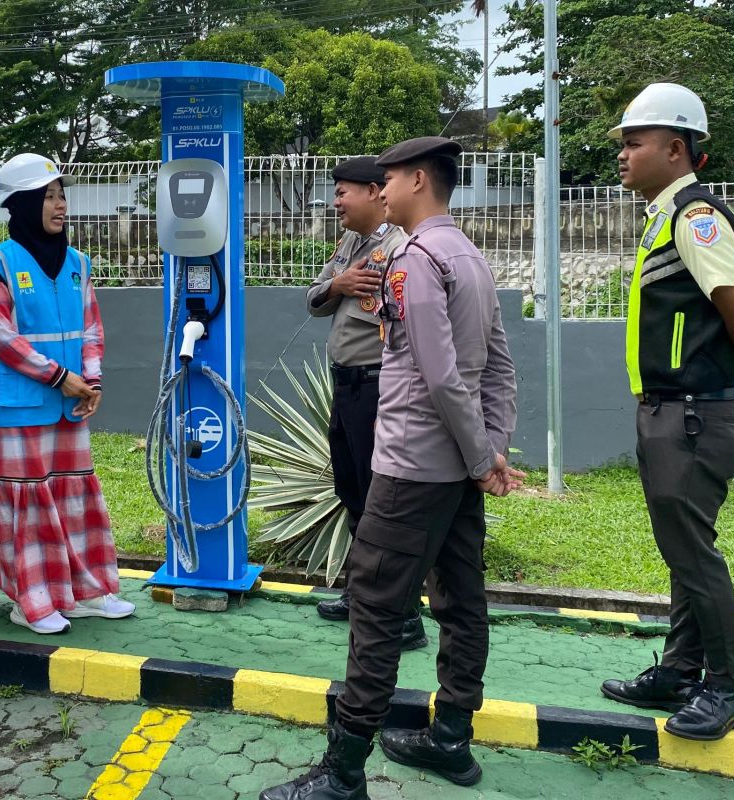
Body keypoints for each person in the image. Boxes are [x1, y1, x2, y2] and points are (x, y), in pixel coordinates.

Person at [262, 137, 525, 800]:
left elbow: (439, 376)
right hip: (458, 470)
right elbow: (498, 368)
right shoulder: (468, 255)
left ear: (415, 180)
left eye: (386, 181)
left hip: (414, 466)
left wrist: (476, 456)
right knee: (462, 600)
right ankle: (451, 740)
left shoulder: (415, 258)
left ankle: (344, 771)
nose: (379, 192)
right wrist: (489, 452)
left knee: (375, 609)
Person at [598, 83, 734, 741]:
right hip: (682, 411)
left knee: (694, 556)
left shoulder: (693, 218)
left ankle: (726, 690)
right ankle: (680, 671)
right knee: (684, 551)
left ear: (675, 149)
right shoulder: (666, 215)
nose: (622, 154)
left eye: (634, 142)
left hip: (693, 416)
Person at [0, 153, 134, 635]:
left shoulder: (78, 263)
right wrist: (60, 377)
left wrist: (92, 381)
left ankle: (84, 591)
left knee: (72, 497)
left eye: (61, 193)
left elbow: (92, 327)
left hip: (69, 402)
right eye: (48, 196)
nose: (60, 204)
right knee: (25, 505)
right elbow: (1, 337)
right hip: (18, 407)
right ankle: (30, 599)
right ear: (23, 204)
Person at [306, 156, 425, 651]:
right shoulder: (353, 244)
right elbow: (314, 299)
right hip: (348, 385)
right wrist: (339, 284)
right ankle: (363, 595)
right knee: (354, 493)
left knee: (384, 501)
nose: (336, 202)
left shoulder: (401, 247)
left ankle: (403, 616)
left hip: (381, 387)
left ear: (377, 191)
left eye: (344, 192)